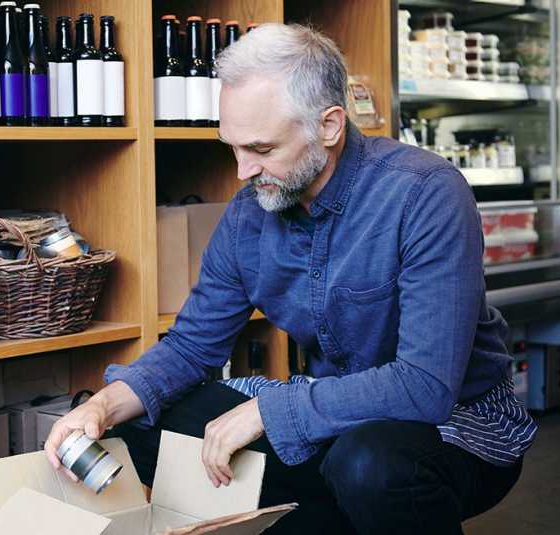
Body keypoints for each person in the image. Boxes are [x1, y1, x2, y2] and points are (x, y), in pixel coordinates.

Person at [44, 23, 536, 534]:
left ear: (330, 126)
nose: (242, 171)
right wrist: (102, 408)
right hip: (331, 412)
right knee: (146, 423)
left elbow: (425, 386)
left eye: (261, 149)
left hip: (454, 423)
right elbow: (191, 348)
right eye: (232, 147)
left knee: (368, 466)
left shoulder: (425, 193)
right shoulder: (248, 215)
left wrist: (268, 412)